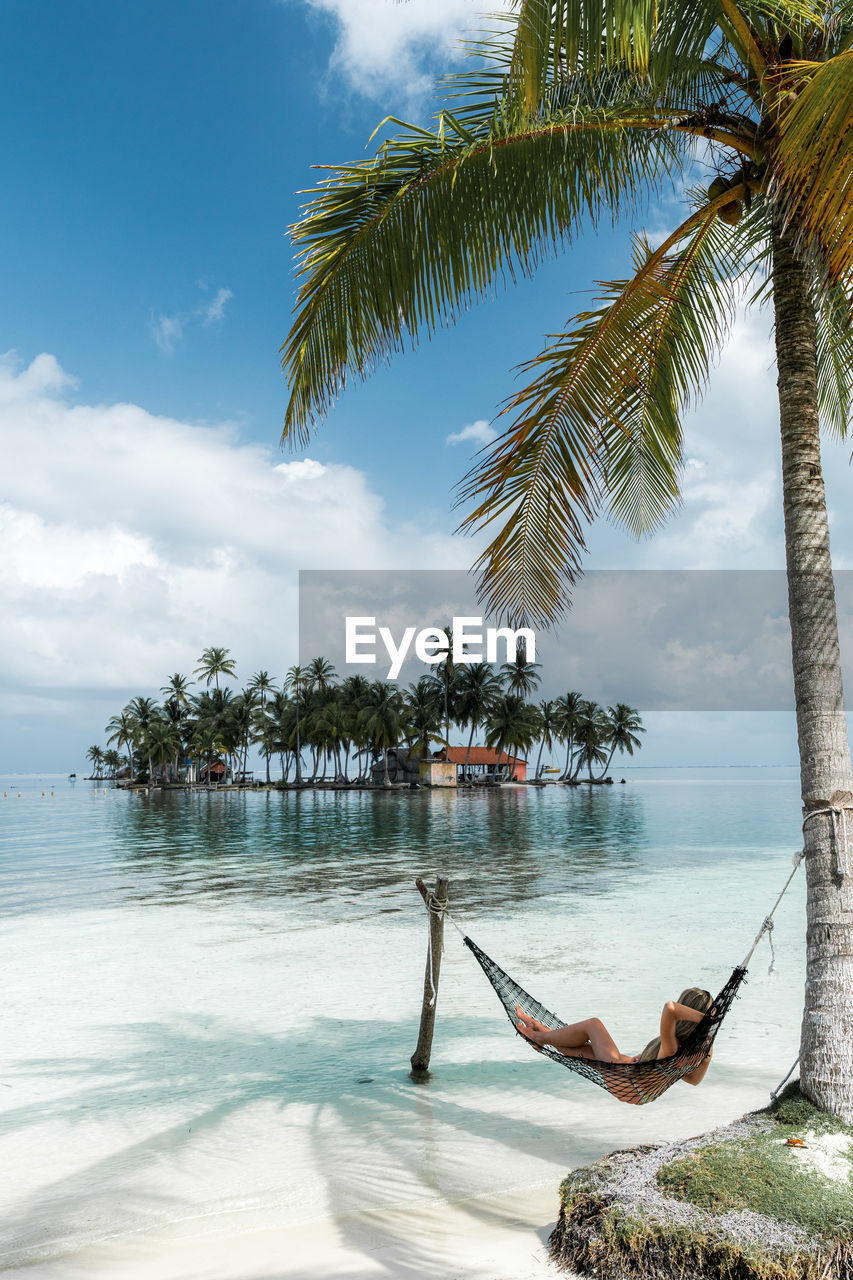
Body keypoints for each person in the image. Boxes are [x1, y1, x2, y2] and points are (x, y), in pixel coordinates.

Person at [515, 987, 715, 1086]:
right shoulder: (685, 1050)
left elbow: (670, 1008)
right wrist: (708, 1055)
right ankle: (540, 1031)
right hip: (626, 1074)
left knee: (593, 1025)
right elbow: (694, 1081)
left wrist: (705, 1020)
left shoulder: (672, 1047)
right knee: (581, 1050)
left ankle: (538, 1039)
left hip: (624, 1080)